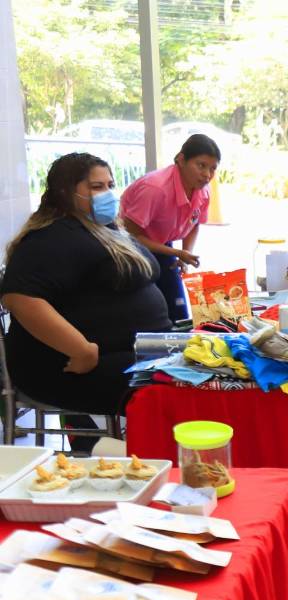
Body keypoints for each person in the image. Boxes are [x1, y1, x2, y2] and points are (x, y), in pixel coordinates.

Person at [1, 153, 170, 451]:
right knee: (173, 386)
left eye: (110, 184)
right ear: (67, 192)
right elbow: (20, 298)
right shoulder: (50, 237)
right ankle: (156, 463)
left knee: (207, 368)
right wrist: (82, 349)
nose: (107, 194)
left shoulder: (106, 229)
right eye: (96, 187)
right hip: (67, 367)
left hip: (135, 350)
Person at [120, 134, 221, 322]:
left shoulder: (203, 190)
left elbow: (194, 223)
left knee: (178, 313)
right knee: (151, 312)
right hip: (128, 247)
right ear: (181, 160)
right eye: (201, 165)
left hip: (163, 244)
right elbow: (131, 235)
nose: (207, 174)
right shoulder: (155, 188)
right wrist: (176, 252)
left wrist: (185, 253)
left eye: (213, 168)